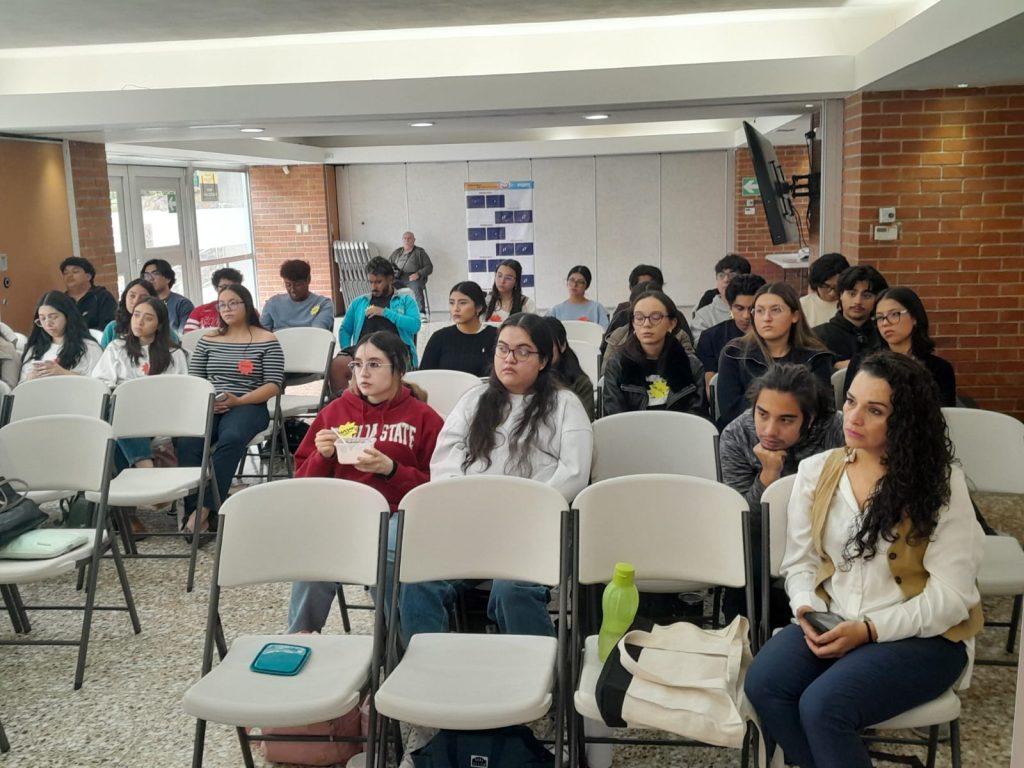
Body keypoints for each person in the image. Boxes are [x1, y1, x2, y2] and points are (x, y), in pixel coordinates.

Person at [745, 351, 983, 768]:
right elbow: (800, 563)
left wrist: (870, 630)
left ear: (905, 419)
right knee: (764, 685)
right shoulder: (818, 471)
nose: (853, 418)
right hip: (835, 618)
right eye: (851, 401)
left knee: (824, 706)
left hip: (925, 637)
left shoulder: (941, 484)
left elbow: (952, 597)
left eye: (874, 410)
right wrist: (807, 610)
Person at [398, 313, 593, 647]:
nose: (509, 359)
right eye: (503, 349)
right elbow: (446, 456)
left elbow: (574, 472)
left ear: (543, 360)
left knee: (511, 588)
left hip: (533, 529)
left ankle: (541, 670)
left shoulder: (565, 405)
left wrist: (524, 511)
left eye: (522, 351)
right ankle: (429, 665)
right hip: (471, 524)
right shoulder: (474, 398)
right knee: (418, 580)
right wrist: (468, 502)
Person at [287, 331, 444, 633]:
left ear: (398, 368)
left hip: (399, 513)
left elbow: (438, 487)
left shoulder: (424, 417)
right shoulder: (335, 412)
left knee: (387, 549)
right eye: (357, 364)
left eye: (374, 364)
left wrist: (392, 470)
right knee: (313, 557)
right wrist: (322, 456)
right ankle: (299, 638)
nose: (363, 373)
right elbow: (302, 483)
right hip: (343, 513)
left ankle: (393, 638)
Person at [718, 364, 844, 624]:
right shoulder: (737, 434)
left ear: (810, 418)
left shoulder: (838, 430)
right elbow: (744, 522)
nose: (769, 430)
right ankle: (748, 636)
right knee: (744, 568)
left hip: (826, 531)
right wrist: (768, 475)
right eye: (762, 414)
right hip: (761, 536)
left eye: (785, 420)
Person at [176, 284, 284, 538]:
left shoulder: (266, 339)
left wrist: (240, 400)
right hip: (211, 404)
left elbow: (273, 384)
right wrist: (208, 400)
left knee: (232, 437)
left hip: (249, 405)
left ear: (247, 305)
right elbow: (195, 380)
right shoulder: (208, 339)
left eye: (233, 303)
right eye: (222, 304)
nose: (227, 309)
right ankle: (197, 511)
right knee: (188, 441)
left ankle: (203, 511)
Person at [716, 282, 833, 429]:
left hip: (801, 435)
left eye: (776, 310)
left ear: (795, 316)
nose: (766, 318)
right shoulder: (734, 353)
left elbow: (820, 410)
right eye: (759, 311)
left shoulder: (815, 356)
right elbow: (730, 411)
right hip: (745, 434)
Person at [93, 296, 189, 468]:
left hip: (159, 414)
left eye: (148, 318)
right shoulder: (116, 348)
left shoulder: (174, 353)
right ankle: (144, 466)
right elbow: (100, 383)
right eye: (136, 315)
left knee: (116, 426)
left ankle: (137, 474)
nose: (139, 321)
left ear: (159, 325)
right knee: (117, 408)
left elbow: (181, 392)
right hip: (123, 411)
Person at [843, 286, 956, 407]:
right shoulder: (861, 362)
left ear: (915, 317)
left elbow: (943, 414)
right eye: (880, 317)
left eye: (894, 314)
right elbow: (849, 408)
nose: (885, 323)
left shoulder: (940, 369)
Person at [602, 289, 703, 416]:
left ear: (672, 323)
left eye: (655, 317)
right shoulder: (618, 365)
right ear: (633, 323)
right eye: (639, 318)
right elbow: (614, 418)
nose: (646, 324)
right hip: (630, 429)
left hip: (679, 429)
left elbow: (698, 418)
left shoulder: (692, 366)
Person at [331, 256, 422, 395]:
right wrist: (347, 349)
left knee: (382, 367)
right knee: (337, 366)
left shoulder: (405, 300)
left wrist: (385, 313)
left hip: (395, 350)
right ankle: (345, 404)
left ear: (390, 279)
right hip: (362, 350)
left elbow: (415, 325)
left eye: (378, 282)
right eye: (371, 282)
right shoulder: (359, 302)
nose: (374, 287)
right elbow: (345, 329)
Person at [696, 274, 765, 396]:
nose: (746, 316)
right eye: (739, 308)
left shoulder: (774, 336)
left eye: (752, 309)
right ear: (730, 307)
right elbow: (711, 388)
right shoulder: (711, 337)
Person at [813, 265, 887, 368]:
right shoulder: (817, 336)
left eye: (867, 295)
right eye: (852, 294)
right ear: (840, 295)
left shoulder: (884, 334)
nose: (858, 301)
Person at [20, 291, 102, 382]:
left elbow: (99, 384)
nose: (47, 324)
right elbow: (20, 387)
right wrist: (29, 379)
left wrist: (63, 373)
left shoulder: (89, 347)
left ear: (68, 316)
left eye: (53, 317)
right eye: (42, 319)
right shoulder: (34, 350)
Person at [420, 282, 498, 377]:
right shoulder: (440, 337)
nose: (455, 308)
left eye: (462, 303)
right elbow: (424, 375)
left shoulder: (495, 336)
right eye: (452, 303)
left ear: (478, 307)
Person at [259, 259, 334, 332]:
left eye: (297, 284)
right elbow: (261, 333)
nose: (293, 290)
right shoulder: (272, 304)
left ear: (308, 280)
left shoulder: (323, 304)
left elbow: (318, 332)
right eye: (288, 285)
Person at [542, 316, 595, 420]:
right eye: (538, 347)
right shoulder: (527, 378)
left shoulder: (581, 383)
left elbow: (583, 422)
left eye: (549, 346)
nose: (543, 352)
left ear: (562, 346)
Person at [690, 253, 752, 339]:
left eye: (732, 275)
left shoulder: (757, 310)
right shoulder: (704, 315)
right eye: (721, 275)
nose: (726, 280)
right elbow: (700, 344)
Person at [605, 264, 665, 338]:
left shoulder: (671, 313)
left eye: (651, 287)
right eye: (641, 286)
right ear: (631, 288)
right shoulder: (622, 314)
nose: (646, 290)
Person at [60, 256, 117, 331]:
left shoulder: (102, 297)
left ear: (88, 276)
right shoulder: (60, 300)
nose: (69, 275)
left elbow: (109, 327)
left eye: (75, 271)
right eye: (65, 273)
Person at [98, 278, 157, 348]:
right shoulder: (112, 328)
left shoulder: (159, 327)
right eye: (132, 296)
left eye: (143, 298)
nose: (136, 301)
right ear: (125, 297)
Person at [141, 258, 194, 335]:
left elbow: (184, 336)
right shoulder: (143, 304)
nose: (150, 278)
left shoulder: (182, 304)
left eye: (155, 274)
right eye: (146, 275)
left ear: (168, 278)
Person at [183, 267, 244, 332]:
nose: (229, 290)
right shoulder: (199, 311)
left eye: (234, 286)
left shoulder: (247, 310)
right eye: (224, 286)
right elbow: (188, 336)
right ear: (216, 288)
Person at [800, 252, 849, 328]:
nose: (832, 293)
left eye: (838, 288)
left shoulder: (850, 305)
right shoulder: (802, 306)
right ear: (817, 282)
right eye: (826, 286)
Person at [389, 231, 432, 316]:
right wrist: (392, 273)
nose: (407, 240)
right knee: (388, 287)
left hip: (413, 277)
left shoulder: (420, 252)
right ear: (402, 240)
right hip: (398, 278)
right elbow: (388, 264)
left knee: (417, 287)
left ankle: (421, 313)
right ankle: (392, 311)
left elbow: (429, 267)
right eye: (405, 238)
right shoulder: (397, 252)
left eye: (409, 238)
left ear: (414, 240)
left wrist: (418, 274)